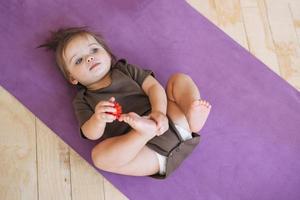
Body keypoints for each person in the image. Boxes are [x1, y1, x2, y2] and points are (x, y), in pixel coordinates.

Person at [39, 26, 212, 179]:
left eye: (93, 51)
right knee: (99, 156)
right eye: (78, 60)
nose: (89, 59)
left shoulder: (124, 69)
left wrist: (159, 112)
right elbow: (90, 133)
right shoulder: (83, 100)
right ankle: (143, 132)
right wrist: (98, 119)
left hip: (169, 122)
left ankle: (192, 118)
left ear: (107, 53)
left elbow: (153, 87)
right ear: (73, 78)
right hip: (148, 154)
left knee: (178, 80)